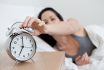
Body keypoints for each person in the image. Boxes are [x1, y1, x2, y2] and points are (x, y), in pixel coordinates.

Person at [20, 7, 96, 65]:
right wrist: (78, 63)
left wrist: (45, 27)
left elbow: (71, 26)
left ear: (60, 20)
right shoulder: (55, 51)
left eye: (52, 19)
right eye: (45, 22)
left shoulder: (72, 22)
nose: (50, 23)